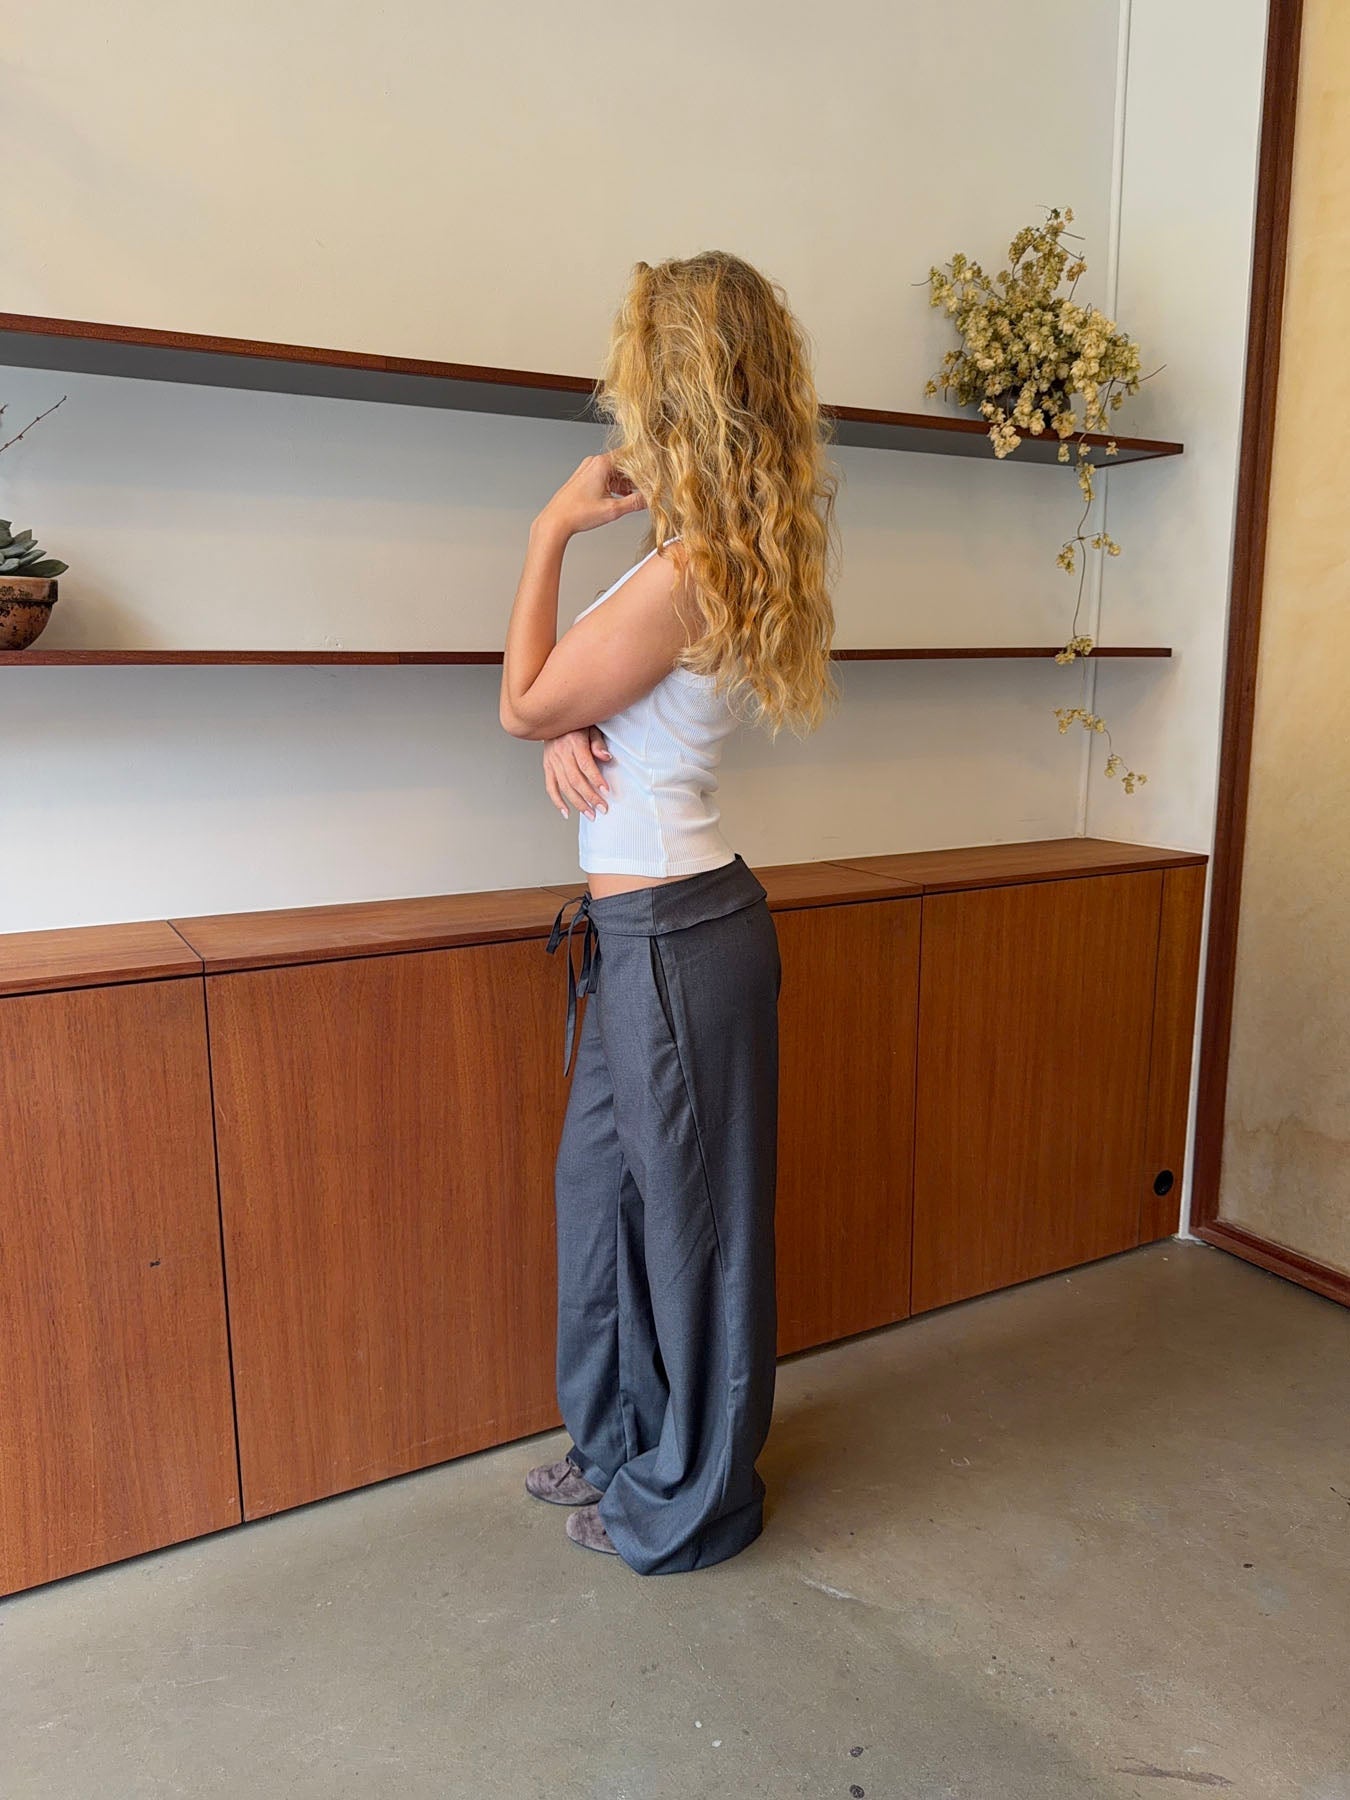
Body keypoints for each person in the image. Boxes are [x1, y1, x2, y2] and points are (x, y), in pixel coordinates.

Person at [499, 250, 839, 1574]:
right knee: (602, 1200)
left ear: (676, 383)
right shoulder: (686, 556)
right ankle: (620, 1441)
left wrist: (548, 531)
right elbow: (574, 707)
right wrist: (560, 731)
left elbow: (526, 696)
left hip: (679, 935)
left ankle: (693, 1499)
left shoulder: (690, 565)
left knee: (693, 1233)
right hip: (649, 932)